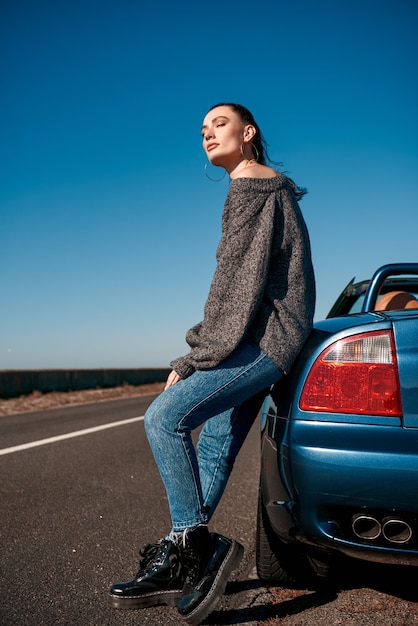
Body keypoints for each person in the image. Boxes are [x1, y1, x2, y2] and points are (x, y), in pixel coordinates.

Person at [108, 103, 316, 624]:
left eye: (218, 124)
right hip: (267, 338)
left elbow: (234, 290)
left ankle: (191, 546)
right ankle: (193, 558)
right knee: (217, 446)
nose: (207, 134)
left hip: (262, 341)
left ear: (248, 133)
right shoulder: (272, 188)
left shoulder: (250, 187)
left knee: (163, 417)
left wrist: (195, 355)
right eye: (202, 130)